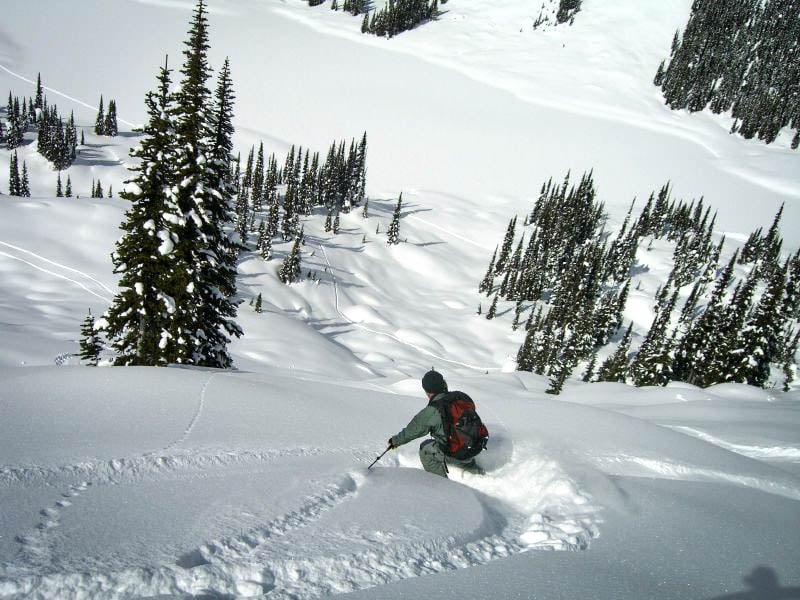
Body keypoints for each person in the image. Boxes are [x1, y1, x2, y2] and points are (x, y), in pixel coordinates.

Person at [388, 370, 484, 478]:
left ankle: (441, 486)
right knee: (460, 441)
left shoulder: (432, 411)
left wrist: (394, 441)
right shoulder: (461, 397)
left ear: (427, 391)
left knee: (425, 450)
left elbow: (412, 430)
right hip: (476, 445)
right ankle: (477, 472)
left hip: (457, 452)